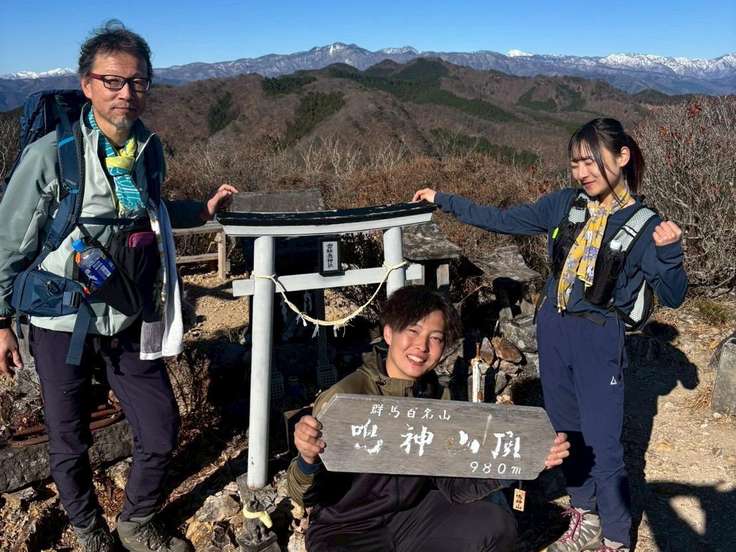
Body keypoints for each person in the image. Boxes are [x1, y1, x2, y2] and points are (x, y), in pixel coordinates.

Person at [0, 21, 237, 552]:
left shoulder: (147, 150)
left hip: (127, 313)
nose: (126, 92)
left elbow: (147, 214)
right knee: (68, 439)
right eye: (112, 80)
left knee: (160, 427)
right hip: (61, 319)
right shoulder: (51, 156)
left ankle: (136, 522)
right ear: (87, 85)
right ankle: (89, 531)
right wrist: (0, 322)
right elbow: (7, 242)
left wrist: (199, 211)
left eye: (137, 81)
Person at [412, 118, 688, 552]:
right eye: (575, 163)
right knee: (566, 432)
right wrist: (444, 200)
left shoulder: (644, 226)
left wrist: (670, 254)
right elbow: (502, 220)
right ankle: (584, 516)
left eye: (591, 161)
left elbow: (673, 295)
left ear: (622, 157)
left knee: (603, 443)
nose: (582, 173)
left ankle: (616, 537)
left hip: (599, 338)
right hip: (554, 329)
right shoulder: (565, 205)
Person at [287, 285, 571, 552]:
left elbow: (454, 487)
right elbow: (304, 495)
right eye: (412, 331)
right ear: (388, 333)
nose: (422, 346)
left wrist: (523, 459)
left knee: (495, 525)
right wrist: (307, 458)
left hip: (414, 517)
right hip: (347, 527)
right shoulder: (346, 397)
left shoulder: (436, 397)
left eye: (435, 338)